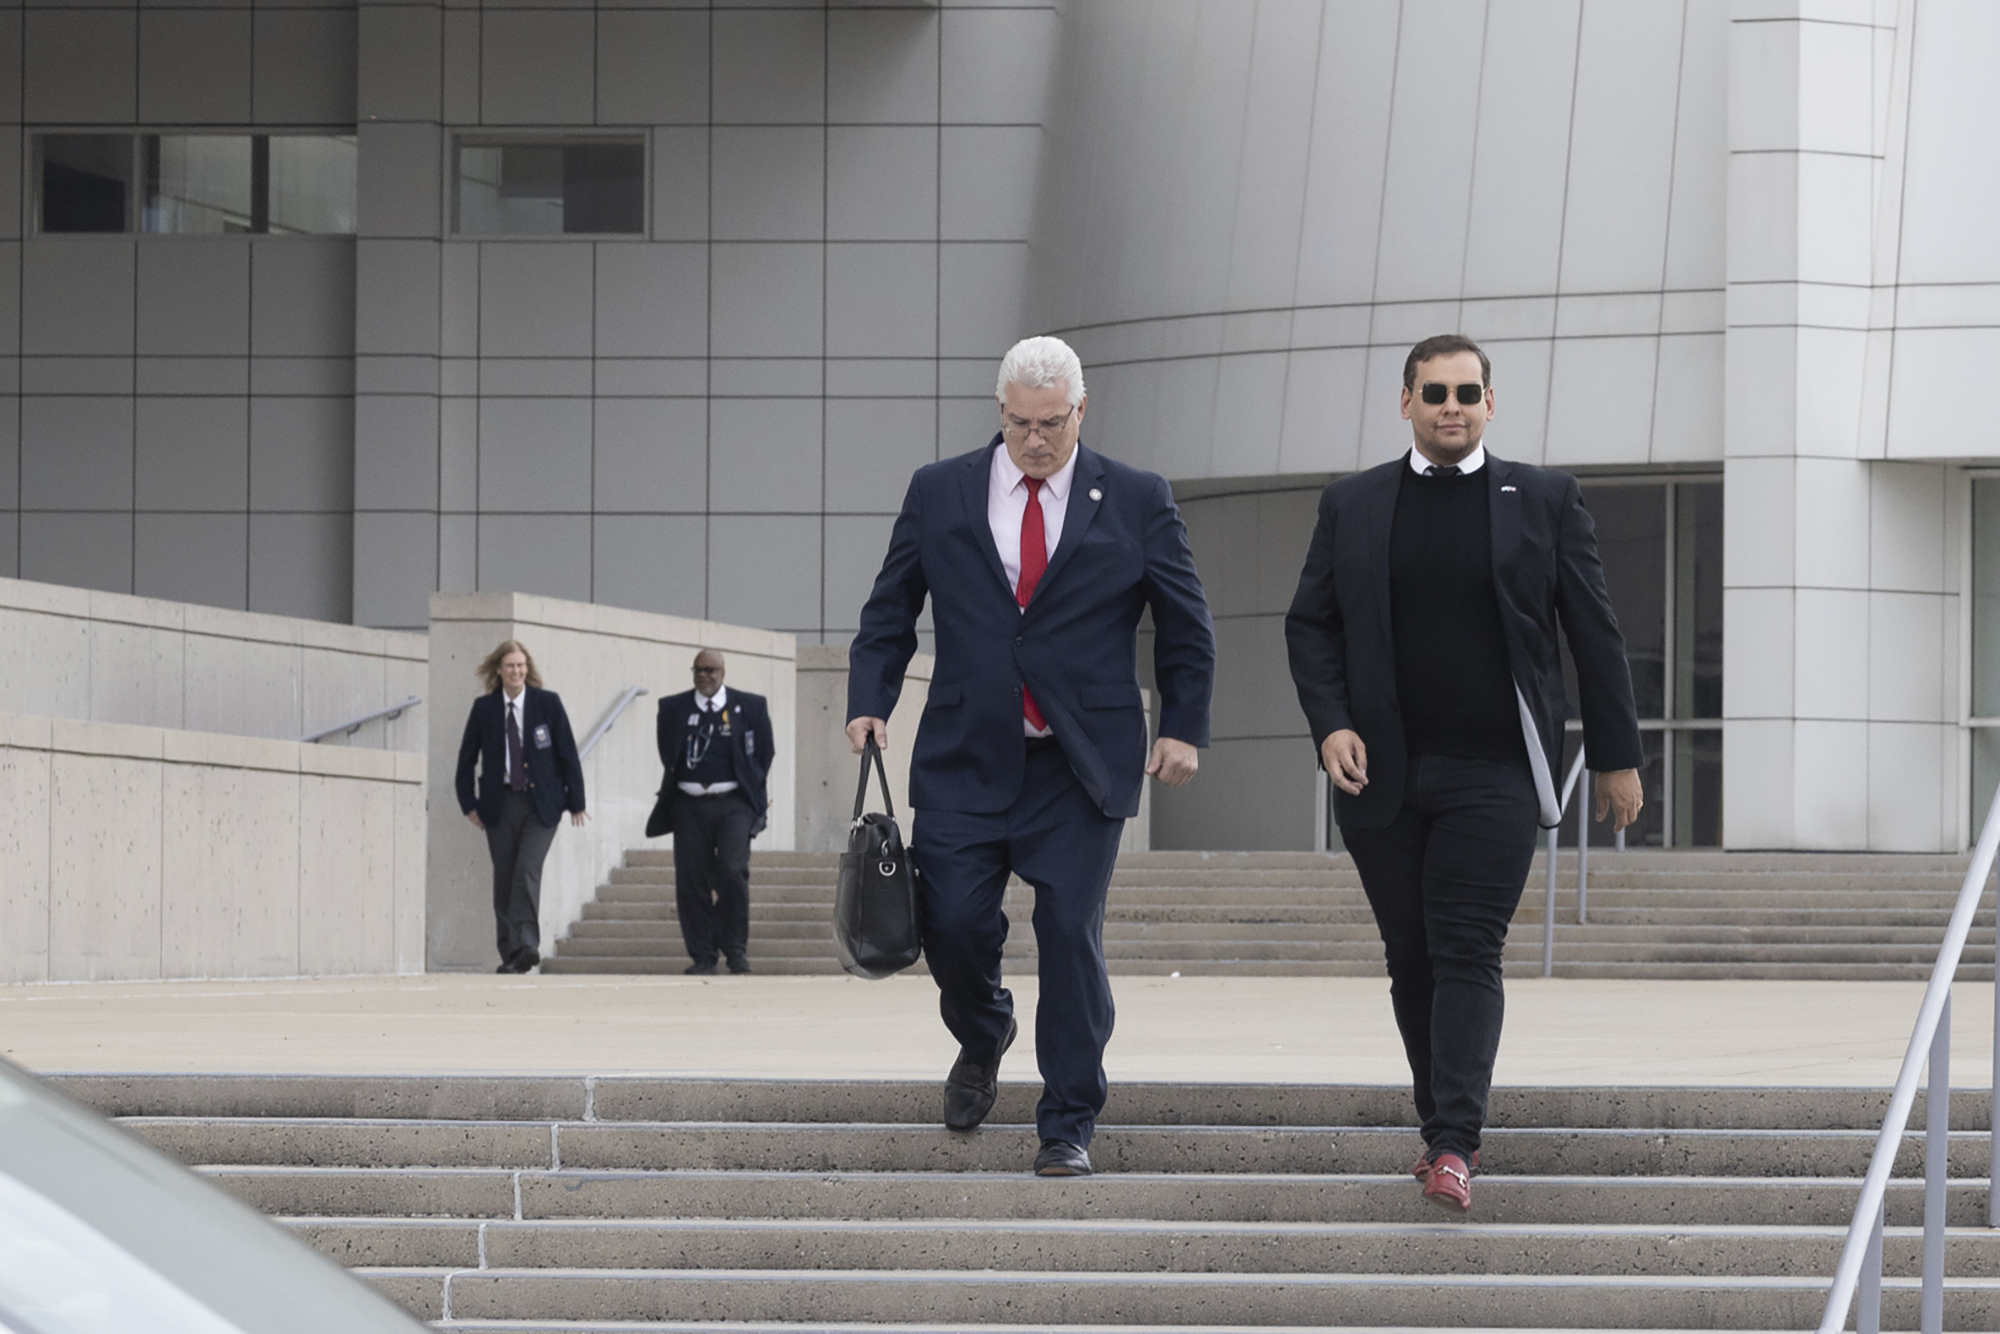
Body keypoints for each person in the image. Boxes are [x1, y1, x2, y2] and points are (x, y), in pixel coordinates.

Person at [1284, 333, 1645, 1212]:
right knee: (1411, 959)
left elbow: (1592, 631)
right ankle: (1437, 1125)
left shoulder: (1545, 499)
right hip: (1382, 777)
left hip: (1495, 774)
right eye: (1436, 392)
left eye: (1469, 392)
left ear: (1491, 403)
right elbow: (1310, 625)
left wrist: (1618, 755)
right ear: (1404, 401)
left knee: (1465, 950)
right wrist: (1329, 725)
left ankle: (1455, 1144)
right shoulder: (1354, 503)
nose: (1454, 406)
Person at [846, 335, 1216, 1178]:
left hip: (1079, 765)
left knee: (1068, 933)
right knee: (953, 925)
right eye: (1019, 423)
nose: (1035, 439)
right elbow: (890, 608)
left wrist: (1183, 725)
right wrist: (870, 700)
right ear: (1000, 412)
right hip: (965, 758)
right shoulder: (940, 491)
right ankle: (985, 1032)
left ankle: (1068, 1120)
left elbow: (1188, 626)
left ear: (1081, 412)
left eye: (1051, 423)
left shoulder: (1136, 498)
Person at [454, 639, 587, 974]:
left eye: (521, 665)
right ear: (499, 670)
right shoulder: (484, 709)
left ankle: (526, 945)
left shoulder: (547, 703)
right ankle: (511, 955)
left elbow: (567, 753)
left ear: (528, 669)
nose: (517, 671)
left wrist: (576, 802)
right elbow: (466, 760)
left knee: (527, 870)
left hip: (541, 805)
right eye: (510, 665)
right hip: (498, 804)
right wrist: (468, 804)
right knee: (505, 878)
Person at [649, 649, 775, 976]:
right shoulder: (673, 708)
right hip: (688, 804)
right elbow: (668, 753)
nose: (704, 675)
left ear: (723, 671)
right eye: (698, 670)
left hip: (733, 802)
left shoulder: (749, 706)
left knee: (732, 871)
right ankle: (703, 955)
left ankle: (735, 950)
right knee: (691, 880)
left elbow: (764, 752)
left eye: (710, 670)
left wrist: (753, 788)